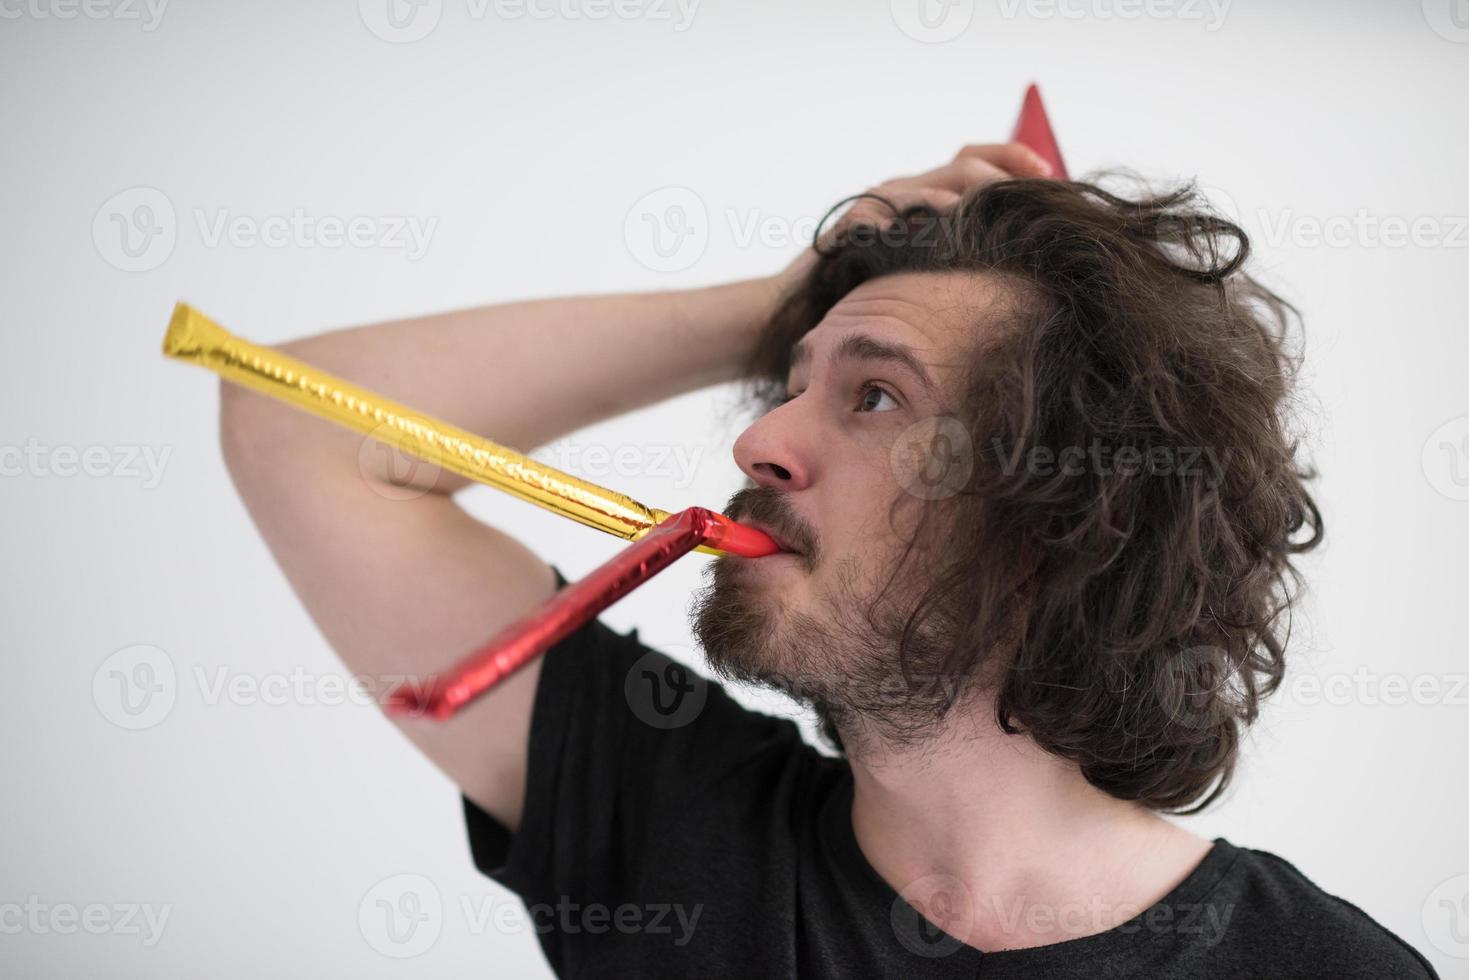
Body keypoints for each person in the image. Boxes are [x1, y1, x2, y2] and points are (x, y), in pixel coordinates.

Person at [219, 142, 1438, 977]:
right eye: (785, 383)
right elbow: (294, 424)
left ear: (1066, 508)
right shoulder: (668, 833)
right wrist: (782, 300)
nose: (755, 441)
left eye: (871, 398)